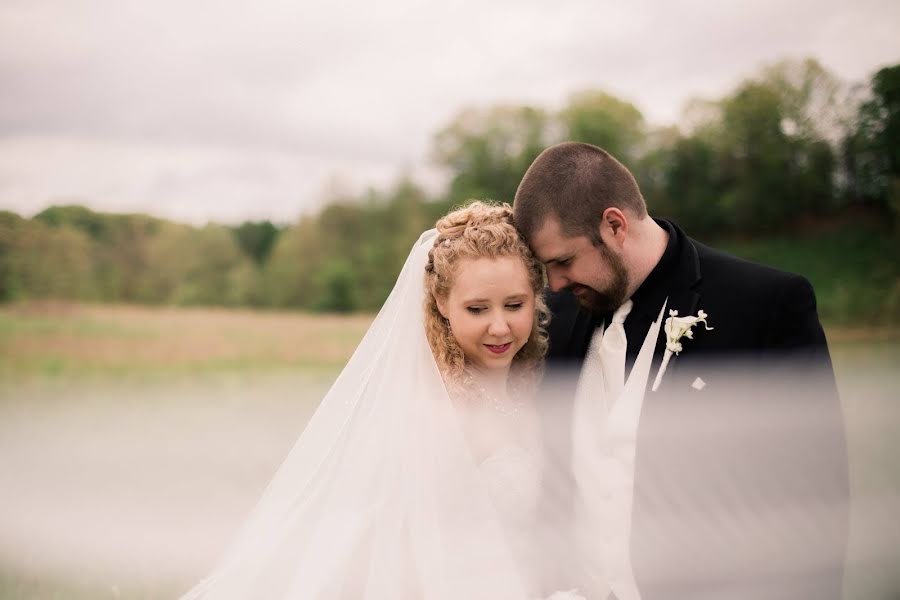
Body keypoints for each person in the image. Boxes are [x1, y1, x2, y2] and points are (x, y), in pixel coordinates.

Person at [180, 201, 586, 600]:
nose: (500, 326)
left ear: (538, 297)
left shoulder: (536, 385)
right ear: (443, 304)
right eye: (477, 309)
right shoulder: (436, 415)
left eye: (515, 305)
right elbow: (416, 561)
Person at [513, 142, 850, 600]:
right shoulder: (556, 314)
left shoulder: (765, 306)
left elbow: (814, 507)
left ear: (614, 225)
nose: (553, 285)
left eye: (564, 262)